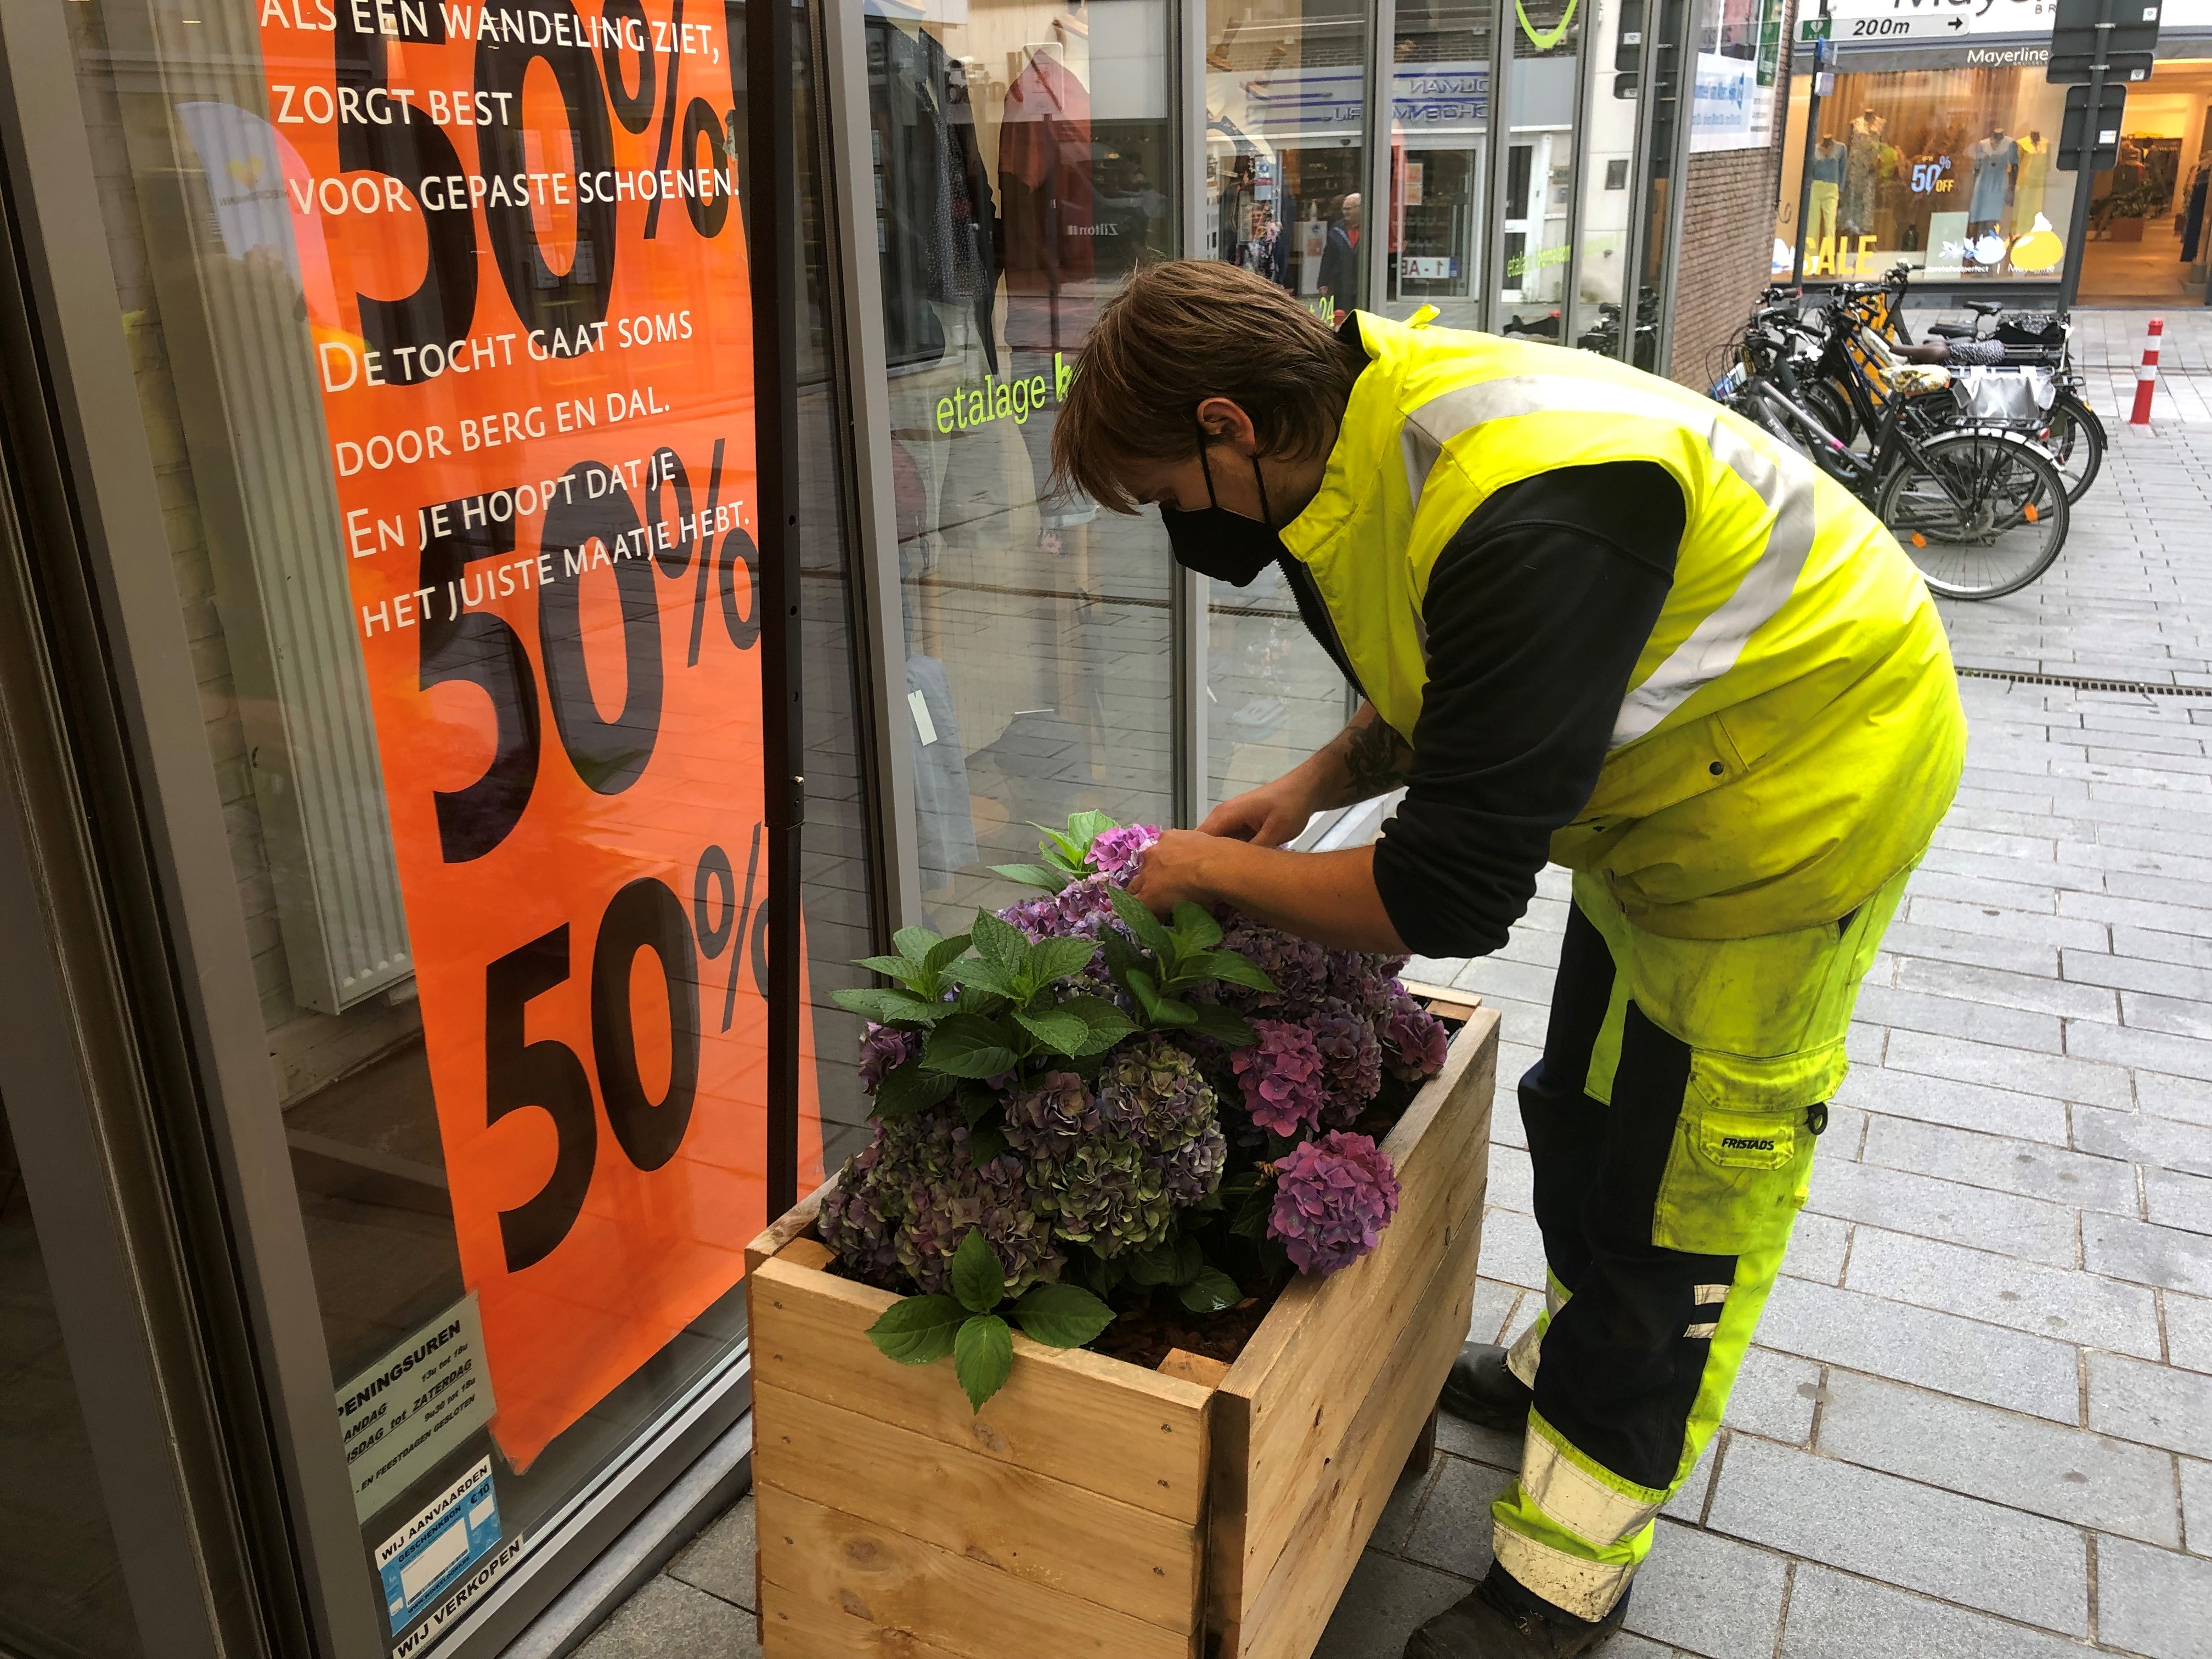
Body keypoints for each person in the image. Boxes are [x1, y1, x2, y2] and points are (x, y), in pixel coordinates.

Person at [1048, 261, 1966, 1659]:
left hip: (1799, 801)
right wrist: (1311, 782)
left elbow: (1444, 894)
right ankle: (1562, 1355)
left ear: (1229, 425)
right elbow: (1456, 682)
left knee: (1682, 1193)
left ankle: (1565, 1579)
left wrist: (1203, 869)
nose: (1179, 526)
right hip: (1666, 792)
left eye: (1168, 492)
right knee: (1585, 1103)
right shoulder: (1358, 429)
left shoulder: (1528, 506)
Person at [1318, 190, 1363, 318]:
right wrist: (1323, 282)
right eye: (1344, 209)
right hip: (1340, 284)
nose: (1345, 213)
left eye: (1349, 209)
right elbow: (1328, 256)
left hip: (1362, 284)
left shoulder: (1370, 227)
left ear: (1360, 208)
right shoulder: (1337, 229)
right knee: (1340, 318)